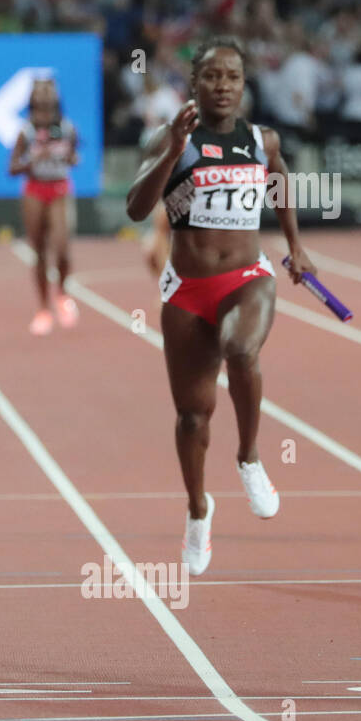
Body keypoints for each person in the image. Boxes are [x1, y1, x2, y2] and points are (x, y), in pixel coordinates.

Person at [126, 36, 317, 576]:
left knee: (241, 349)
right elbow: (138, 208)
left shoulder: (262, 140)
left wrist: (295, 245)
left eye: (233, 77)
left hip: (246, 278)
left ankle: (250, 457)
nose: (224, 86)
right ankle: (197, 509)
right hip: (187, 290)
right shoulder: (172, 139)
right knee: (192, 416)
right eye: (213, 76)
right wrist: (169, 150)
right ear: (195, 84)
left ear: (244, 84)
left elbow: (278, 179)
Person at [8, 78, 79, 333]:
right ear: (33, 98)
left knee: (61, 248)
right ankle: (43, 309)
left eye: (50, 89)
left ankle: (61, 293)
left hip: (60, 187)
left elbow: (75, 156)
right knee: (39, 251)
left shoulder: (68, 128)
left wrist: (70, 157)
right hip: (35, 190)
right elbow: (12, 167)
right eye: (41, 90)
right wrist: (33, 159)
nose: (46, 94)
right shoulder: (25, 132)